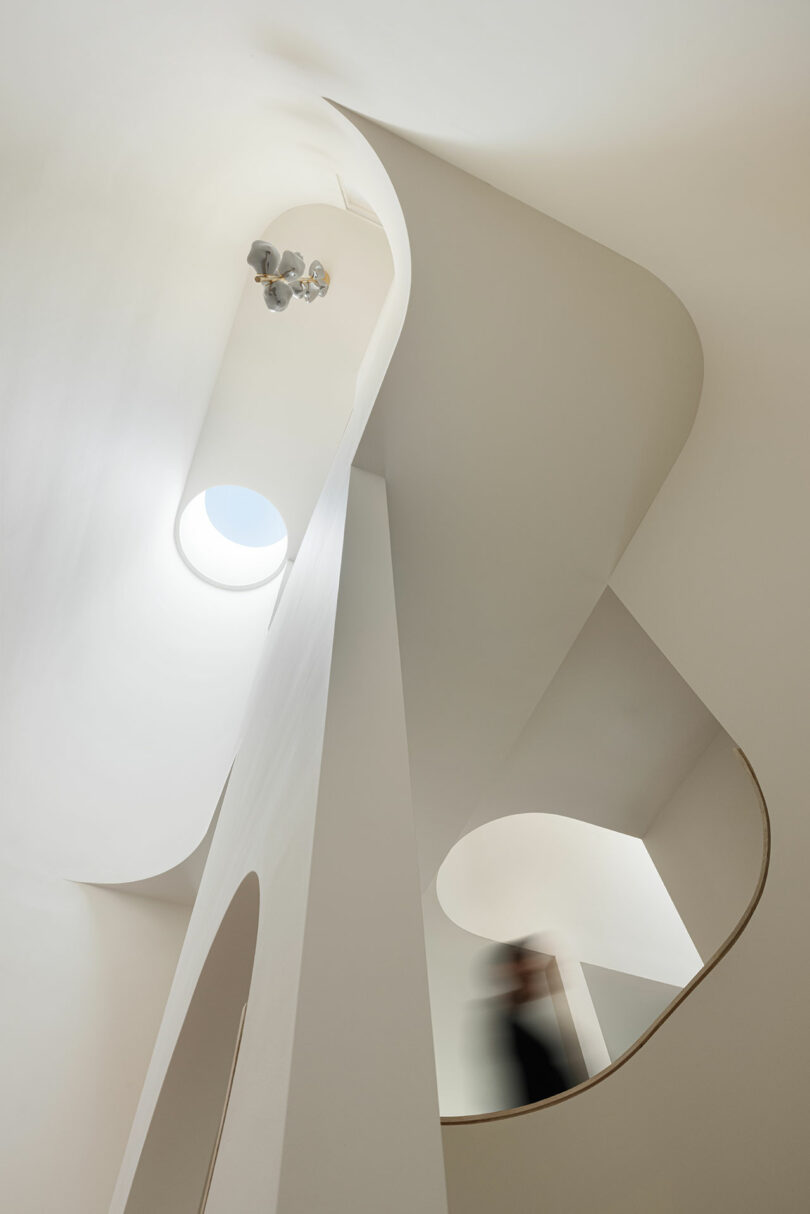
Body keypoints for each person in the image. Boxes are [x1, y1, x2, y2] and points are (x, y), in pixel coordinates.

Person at [488, 939, 571, 1106]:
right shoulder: (508, 1020)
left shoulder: (533, 1011)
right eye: (521, 960)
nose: (530, 967)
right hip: (543, 1107)